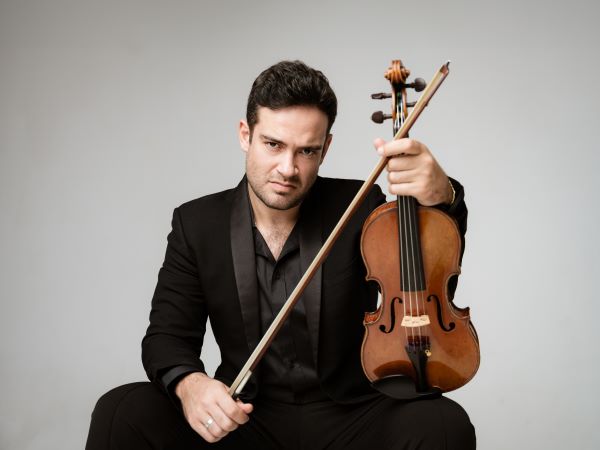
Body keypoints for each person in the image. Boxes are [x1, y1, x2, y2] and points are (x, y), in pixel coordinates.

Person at [86, 60, 475, 449]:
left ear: (325, 149)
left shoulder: (361, 207)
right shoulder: (197, 224)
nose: (288, 168)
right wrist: (191, 385)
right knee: (122, 410)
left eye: (307, 151)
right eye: (273, 144)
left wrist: (444, 196)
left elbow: (426, 289)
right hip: (245, 420)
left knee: (443, 424)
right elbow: (166, 337)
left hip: (351, 416)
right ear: (246, 135)